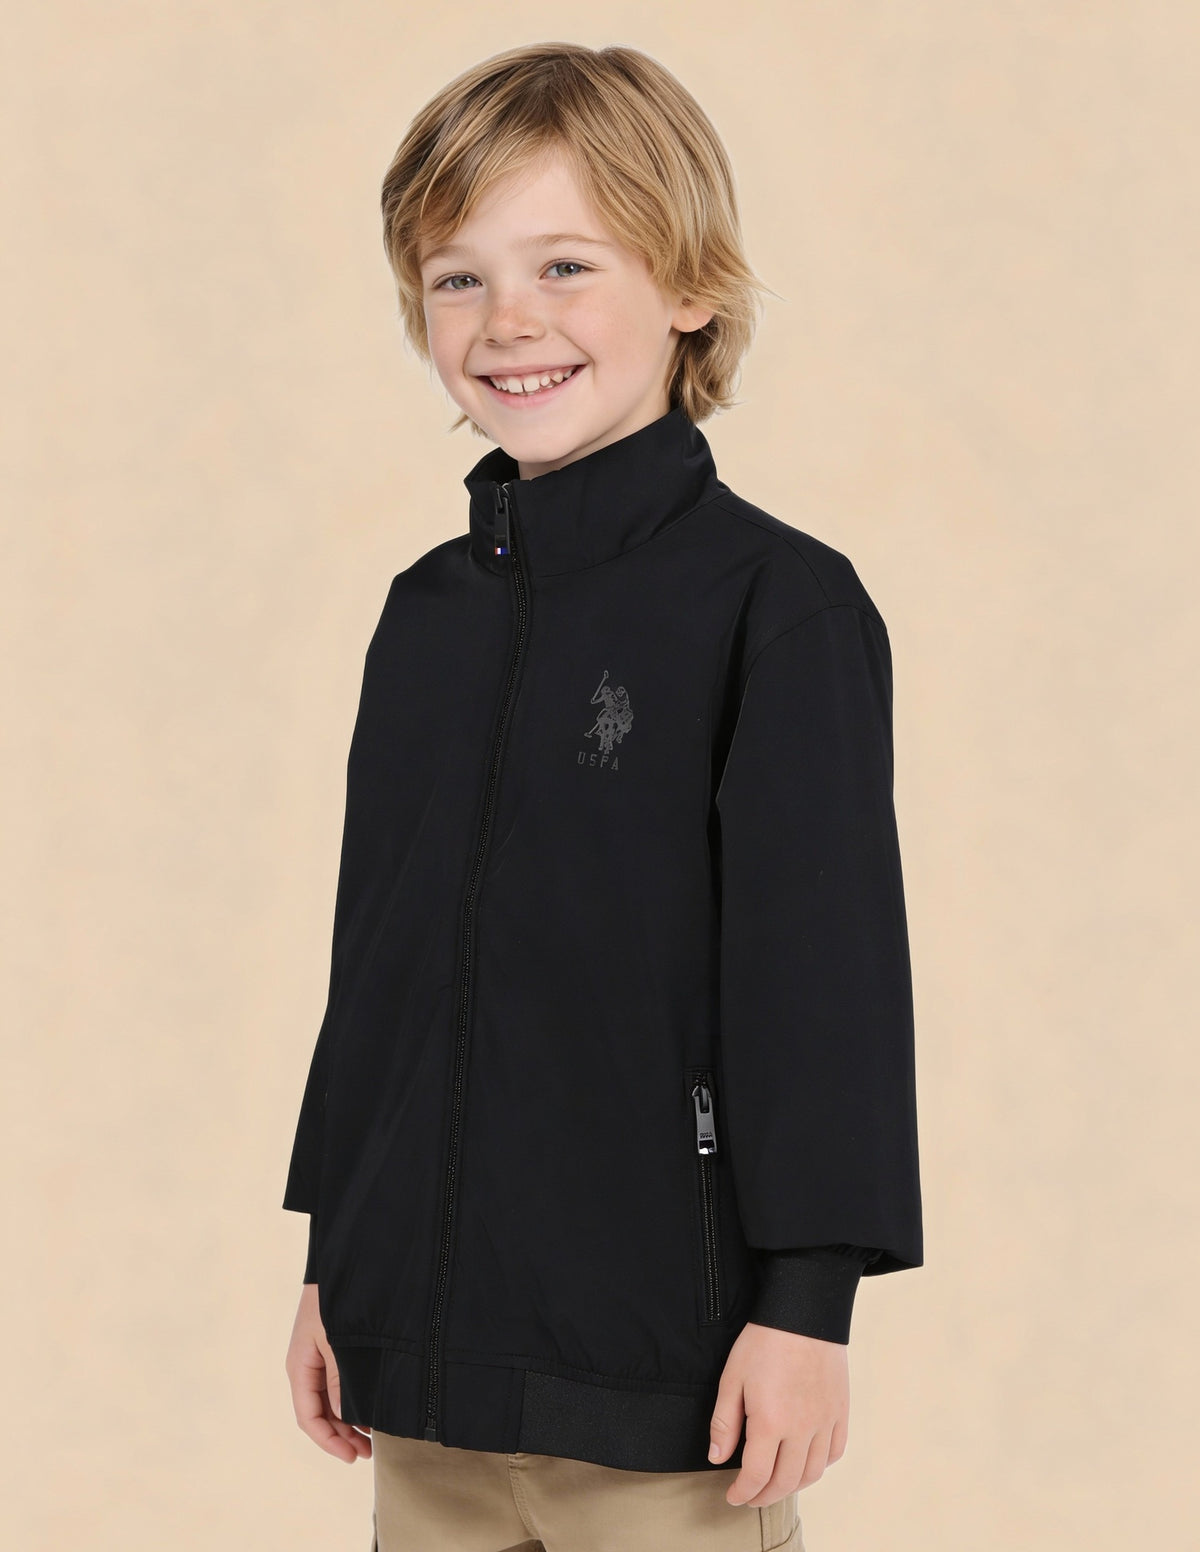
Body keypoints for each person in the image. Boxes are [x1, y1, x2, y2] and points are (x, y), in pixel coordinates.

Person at [282, 40, 923, 1552]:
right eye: (459, 278)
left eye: (565, 265)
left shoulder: (778, 607)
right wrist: (332, 1263)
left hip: (665, 1397)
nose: (508, 321)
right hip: (420, 1384)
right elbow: (380, 964)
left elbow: (822, 979)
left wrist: (809, 1308)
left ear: (688, 285)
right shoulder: (424, 616)